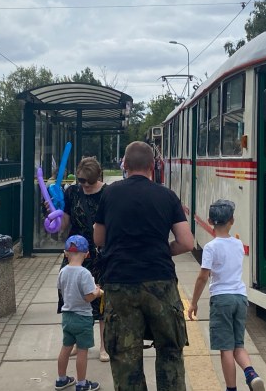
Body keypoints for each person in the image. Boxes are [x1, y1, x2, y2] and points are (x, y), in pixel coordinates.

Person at [93, 141, 194, 390]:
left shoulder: (110, 193)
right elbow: (187, 242)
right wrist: (163, 250)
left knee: (125, 357)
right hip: (160, 281)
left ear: (124, 165)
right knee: (170, 351)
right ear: (152, 166)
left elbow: (98, 239)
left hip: (119, 282)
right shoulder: (167, 195)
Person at [187, 200, 265, 391]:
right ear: (232, 220)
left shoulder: (211, 247)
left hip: (222, 300)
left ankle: (231, 388)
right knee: (239, 345)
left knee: (226, 350)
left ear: (209, 221)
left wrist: (194, 303)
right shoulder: (238, 244)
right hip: (240, 298)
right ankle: (251, 374)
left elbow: (202, 277)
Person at [58, 156, 109, 362]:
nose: (85, 185)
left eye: (90, 181)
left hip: (101, 252)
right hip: (76, 252)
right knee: (72, 298)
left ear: (99, 176)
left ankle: (104, 346)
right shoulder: (71, 192)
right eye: (81, 180)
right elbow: (64, 225)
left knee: (102, 300)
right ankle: (75, 342)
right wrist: (54, 211)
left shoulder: (108, 193)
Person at [56, 235, 103, 391]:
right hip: (83, 318)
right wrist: (97, 292)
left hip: (67, 316)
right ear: (87, 254)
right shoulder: (85, 274)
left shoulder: (63, 271)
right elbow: (88, 297)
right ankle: (82, 384)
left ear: (65, 253)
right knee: (83, 351)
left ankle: (61, 379)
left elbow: (62, 290)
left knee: (66, 347)